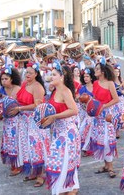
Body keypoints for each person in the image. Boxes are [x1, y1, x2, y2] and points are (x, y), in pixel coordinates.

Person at [7, 62, 48, 187]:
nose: (28, 74)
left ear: (36, 74)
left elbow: (37, 105)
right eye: (26, 72)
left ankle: (41, 175)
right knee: (28, 147)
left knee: (37, 147)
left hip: (35, 121)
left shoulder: (38, 87)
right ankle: (34, 171)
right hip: (24, 121)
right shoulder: (24, 84)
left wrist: (19, 108)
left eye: (30, 72)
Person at [42, 63, 81, 195]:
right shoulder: (54, 91)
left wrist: (54, 117)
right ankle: (70, 187)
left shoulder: (65, 91)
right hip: (58, 132)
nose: (51, 77)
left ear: (62, 77)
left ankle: (69, 188)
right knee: (60, 162)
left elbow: (74, 110)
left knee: (62, 162)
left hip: (67, 133)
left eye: (54, 74)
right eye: (51, 74)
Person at [0, 66, 22, 176]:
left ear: (12, 79)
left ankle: (17, 165)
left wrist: (0, 95)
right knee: (8, 141)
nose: (3, 81)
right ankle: (14, 163)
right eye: (2, 79)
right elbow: (0, 105)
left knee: (15, 141)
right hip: (7, 120)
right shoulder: (2, 89)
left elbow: (14, 103)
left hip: (17, 119)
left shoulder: (17, 88)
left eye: (6, 79)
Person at [91, 58, 120, 178]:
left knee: (108, 139)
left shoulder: (110, 83)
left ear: (102, 71)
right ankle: (106, 165)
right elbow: (94, 98)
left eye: (97, 69)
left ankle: (111, 166)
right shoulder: (95, 83)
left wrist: (104, 106)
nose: (95, 71)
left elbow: (116, 99)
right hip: (98, 115)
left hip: (107, 114)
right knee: (101, 139)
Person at [79, 68, 96, 156]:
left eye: (87, 76)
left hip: (96, 111)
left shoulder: (96, 87)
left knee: (91, 128)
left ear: (91, 77)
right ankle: (84, 147)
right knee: (82, 129)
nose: (85, 78)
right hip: (86, 112)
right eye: (84, 76)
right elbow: (80, 101)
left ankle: (88, 148)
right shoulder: (82, 88)